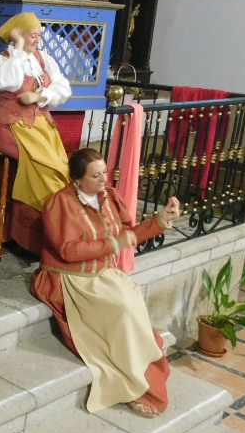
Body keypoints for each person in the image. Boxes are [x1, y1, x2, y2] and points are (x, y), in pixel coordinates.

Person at [32, 148, 180, 417]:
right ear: (77, 179)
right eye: (95, 175)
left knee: (132, 302)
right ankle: (130, 385)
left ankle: (139, 373)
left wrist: (161, 221)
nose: (103, 180)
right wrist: (113, 243)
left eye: (104, 173)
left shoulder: (109, 197)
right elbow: (69, 251)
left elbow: (128, 235)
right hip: (71, 277)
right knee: (121, 310)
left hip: (102, 273)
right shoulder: (59, 203)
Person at [0, 12, 71, 254]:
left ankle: (53, 234)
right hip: (8, 126)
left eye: (39, 36)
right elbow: (8, 83)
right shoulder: (1, 61)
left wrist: (41, 96)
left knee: (62, 169)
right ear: (19, 35)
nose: (37, 41)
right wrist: (19, 49)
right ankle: (31, 239)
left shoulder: (43, 59)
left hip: (40, 125)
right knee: (41, 168)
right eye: (32, 35)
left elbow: (64, 87)